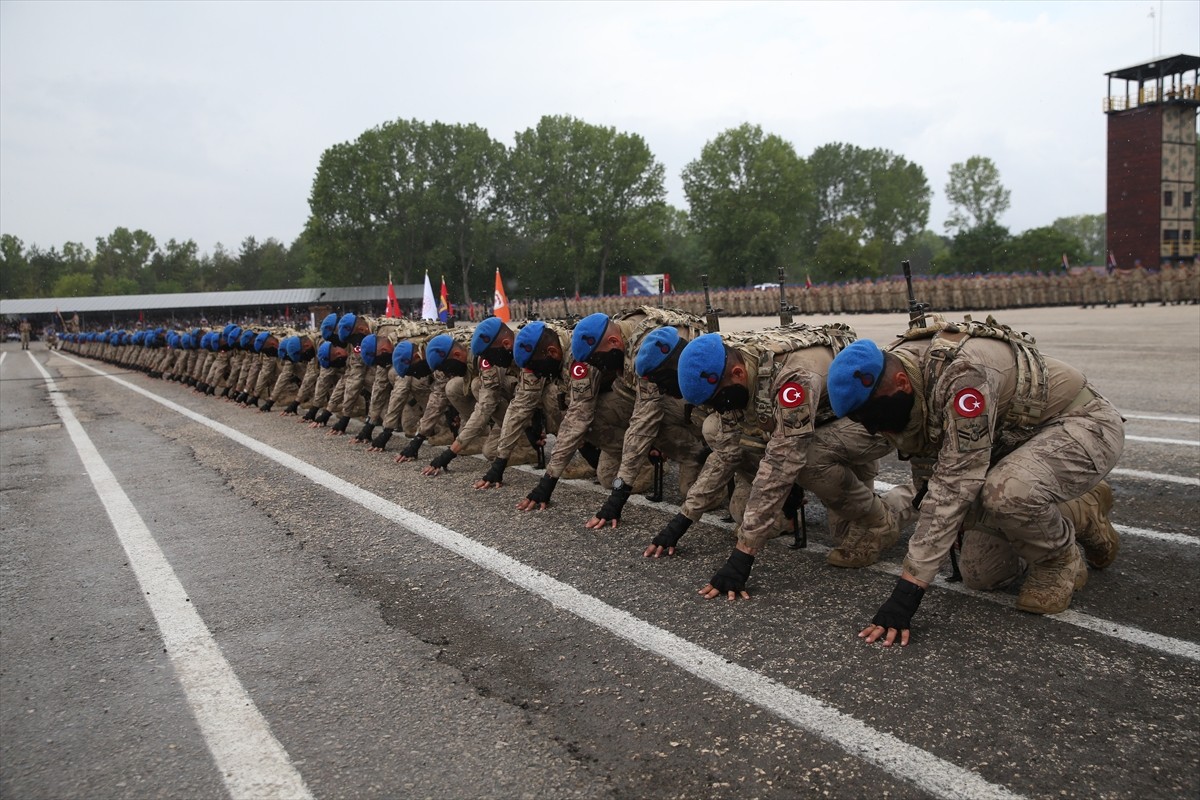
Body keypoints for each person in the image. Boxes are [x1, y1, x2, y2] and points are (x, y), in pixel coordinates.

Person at [827, 314, 1124, 647]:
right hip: (1009, 443)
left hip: (1078, 422)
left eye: (872, 417)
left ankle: (1060, 556)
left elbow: (956, 482)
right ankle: (1071, 515)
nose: (872, 429)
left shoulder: (962, 375)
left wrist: (905, 597)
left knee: (1008, 493)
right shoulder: (898, 377)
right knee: (983, 573)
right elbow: (931, 462)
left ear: (901, 383)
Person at [659, 327, 898, 601]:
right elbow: (726, 451)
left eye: (718, 400)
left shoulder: (794, 378)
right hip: (815, 424)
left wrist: (743, 556)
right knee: (715, 429)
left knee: (808, 461)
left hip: (866, 422)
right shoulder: (729, 362)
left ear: (737, 374)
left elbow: (785, 459)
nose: (720, 408)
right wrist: (684, 518)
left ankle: (885, 516)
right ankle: (790, 511)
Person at [515, 308, 709, 517]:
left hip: (692, 401)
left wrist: (617, 499)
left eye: (597, 361)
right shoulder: (601, 346)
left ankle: (698, 454)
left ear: (615, 342)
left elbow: (643, 422)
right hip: (648, 401)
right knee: (608, 477)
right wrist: (548, 480)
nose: (595, 367)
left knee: (692, 492)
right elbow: (577, 416)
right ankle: (648, 460)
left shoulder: (646, 351)